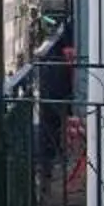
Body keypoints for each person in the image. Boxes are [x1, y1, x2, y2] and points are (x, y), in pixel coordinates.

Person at [37, 28, 76, 186]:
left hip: (56, 92)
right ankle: (48, 169)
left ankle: (47, 171)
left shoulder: (55, 57)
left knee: (49, 128)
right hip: (58, 92)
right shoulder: (57, 58)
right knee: (50, 128)